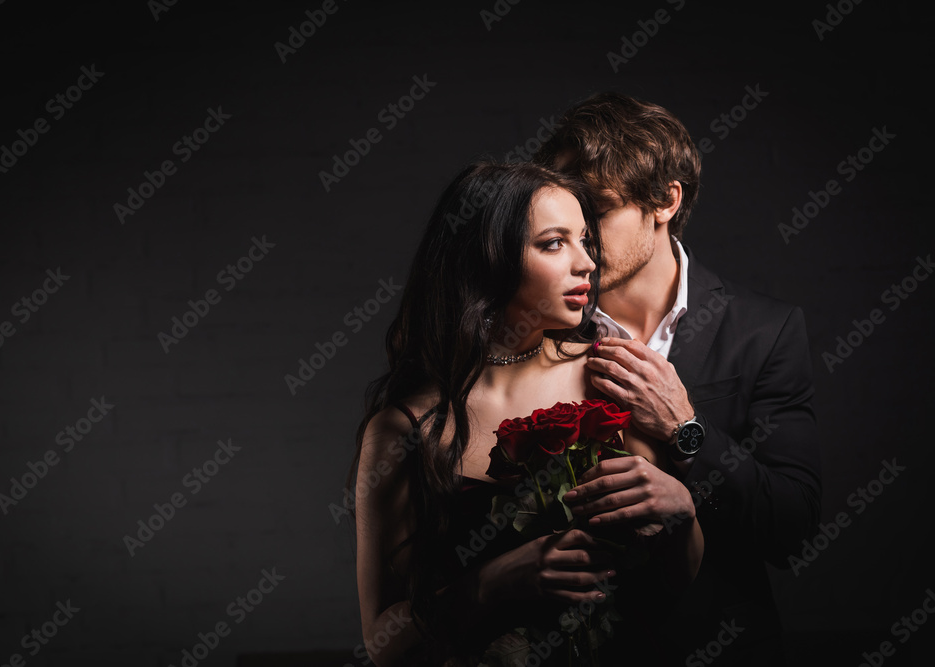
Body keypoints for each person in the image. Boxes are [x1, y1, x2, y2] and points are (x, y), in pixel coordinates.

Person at [349, 161, 704, 666]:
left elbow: (670, 590)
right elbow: (384, 644)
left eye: (586, 240)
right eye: (554, 243)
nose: (586, 264)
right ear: (485, 258)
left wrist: (683, 514)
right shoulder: (407, 428)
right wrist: (492, 584)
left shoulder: (613, 377)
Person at [535, 92, 821, 665]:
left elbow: (791, 526)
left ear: (665, 200)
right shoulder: (535, 326)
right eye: (569, 213)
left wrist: (686, 429)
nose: (581, 236)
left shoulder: (764, 330)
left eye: (599, 210)